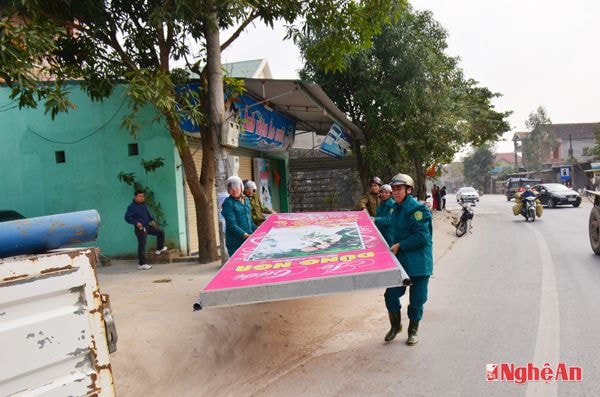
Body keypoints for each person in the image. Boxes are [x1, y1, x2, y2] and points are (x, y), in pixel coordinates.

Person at [384, 173, 433, 346]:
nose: (395, 192)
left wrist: (399, 245)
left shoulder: (417, 209)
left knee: (417, 300)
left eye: (399, 189)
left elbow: (422, 238)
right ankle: (395, 326)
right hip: (401, 263)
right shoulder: (394, 209)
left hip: (419, 264)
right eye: (394, 189)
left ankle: (413, 330)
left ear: (408, 190)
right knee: (390, 295)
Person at [124, 190, 167, 270]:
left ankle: (159, 248)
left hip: (147, 226)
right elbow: (127, 217)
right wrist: (136, 223)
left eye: (143, 196)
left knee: (160, 232)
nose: (142, 198)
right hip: (140, 229)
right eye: (140, 196)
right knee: (142, 245)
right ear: (135, 197)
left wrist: (152, 220)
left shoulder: (143, 205)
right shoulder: (132, 207)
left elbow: (147, 214)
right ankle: (142, 264)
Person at [221, 176, 257, 256]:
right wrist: (245, 235)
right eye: (231, 188)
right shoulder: (228, 203)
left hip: (248, 240)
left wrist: (258, 231)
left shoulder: (246, 200)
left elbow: (250, 221)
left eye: (236, 187)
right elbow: (232, 225)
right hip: (235, 243)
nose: (234, 190)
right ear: (228, 190)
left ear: (241, 187)